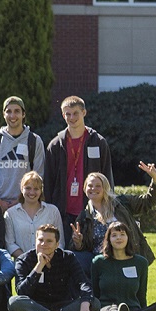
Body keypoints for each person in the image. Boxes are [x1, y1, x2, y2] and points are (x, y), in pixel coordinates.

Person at [71, 163, 156, 268]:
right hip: (101, 264)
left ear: (105, 188)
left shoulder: (122, 203)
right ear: (84, 189)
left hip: (127, 258)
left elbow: (147, 202)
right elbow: (80, 250)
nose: (93, 189)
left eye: (98, 186)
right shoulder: (83, 217)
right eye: (90, 186)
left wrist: (155, 179)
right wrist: (78, 242)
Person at [45, 96, 114, 227]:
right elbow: (49, 182)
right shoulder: (55, 145)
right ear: (63, 115)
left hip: (93, 211)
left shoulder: (98, 142)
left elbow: (107, 176)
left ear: (84, 112)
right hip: (62, 213)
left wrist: (108, 206)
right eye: (68, 114)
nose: (72, 118)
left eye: (75, 113)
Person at [10, 224, 100, 311]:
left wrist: (85, 304)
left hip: (63, 306)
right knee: (14, 302)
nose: (44, 244)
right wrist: (39, 266)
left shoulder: (67, 257)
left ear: (57, 244)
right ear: (35, 241)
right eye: (40, 240)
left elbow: (83, 282)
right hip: (36, 306)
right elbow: (22, 292)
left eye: (49, 241)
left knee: (94, 303)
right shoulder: (24, 260)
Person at [91, 222, 156, 311]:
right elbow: (95, 292)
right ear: (109, 240)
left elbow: (141, 294)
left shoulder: (140, 262)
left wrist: (145, 310)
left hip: (133, 309)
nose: (118, 238)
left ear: (128, 237)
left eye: (122, 234)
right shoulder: (99, 262)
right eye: (114, 235)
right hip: (108, 308)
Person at [0, 96, 46, 211]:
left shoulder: (34, 141)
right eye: (9, 111)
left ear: (23, 114)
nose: (12, 116)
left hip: (26, 204)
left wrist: (21, 199)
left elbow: (39, 175)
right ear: (3, 114)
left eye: (17, 111)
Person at [5, 171, 63, 258]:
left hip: (50, 263)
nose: (32, 192)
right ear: (21, 189)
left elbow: (60, 242)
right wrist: (28, 260)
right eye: (28, 188)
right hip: (23, 264)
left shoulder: (53, 211)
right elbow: (10, 244)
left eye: (36, 189)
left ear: (41, 190)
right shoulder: (10, 214)